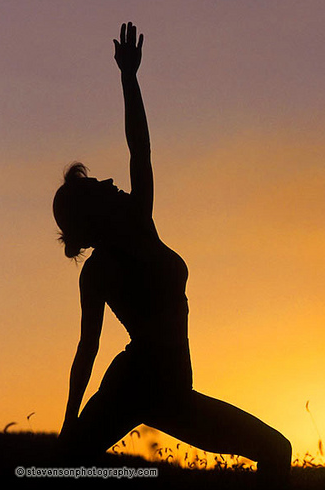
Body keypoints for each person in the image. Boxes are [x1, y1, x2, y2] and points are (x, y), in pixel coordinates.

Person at [53, 22, 292, 487]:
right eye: (97, 187)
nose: (109, 182)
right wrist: (68, 424)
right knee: (62, 465)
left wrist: (129, 79)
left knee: (276, 451)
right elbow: (86, 350)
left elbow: (140, 150)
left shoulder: (140, 223)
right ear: (93, 214)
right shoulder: (100, 269)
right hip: (136, 386)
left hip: (171, 394)